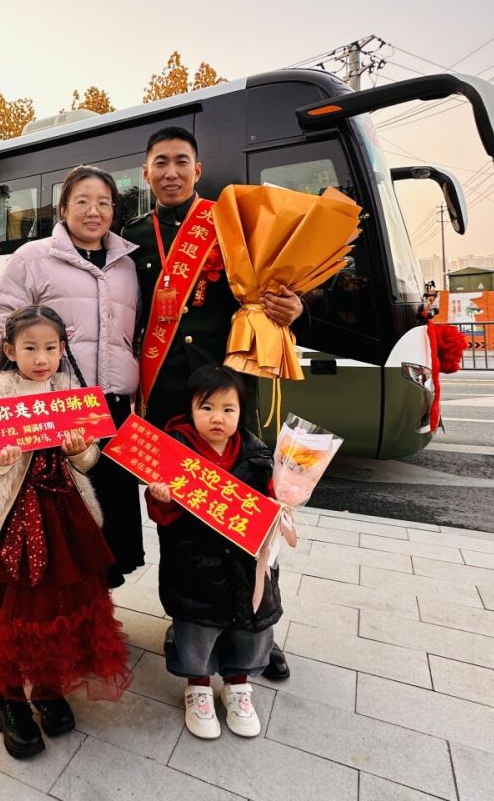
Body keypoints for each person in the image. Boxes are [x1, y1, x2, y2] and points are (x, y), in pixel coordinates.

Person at [123, 125, 304, 681]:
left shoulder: (231, 226)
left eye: (181, 161)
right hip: (164, 402)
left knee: (248, 512)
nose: (171, 171)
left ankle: (256, 625)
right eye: (160, 162)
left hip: (228, 398)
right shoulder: (130, 237)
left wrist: (295, 308)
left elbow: (272, 295)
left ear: (198, 170)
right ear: (146, 172)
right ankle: (187, 622)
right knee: (175, 520)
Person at [0, 305, 131, 760]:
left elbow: (89, 459)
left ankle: (46, 686)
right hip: (10, 518)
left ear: (62, 349)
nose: (42, 358)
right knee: (7, 608)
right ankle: (10, 699)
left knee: (60, 603)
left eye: (51, 348)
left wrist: (79, 452)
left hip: (64, 514)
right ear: (9, 350)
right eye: (30, 348)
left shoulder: (69, 390)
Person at [0, 165, 143, 587]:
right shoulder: (32, 258)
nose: (94, 211)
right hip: (57, 407)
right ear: (63, 207)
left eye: (104, 203)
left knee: (109, 527)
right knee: (64, 525)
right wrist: (4, 395)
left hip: (113, 409)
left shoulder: (127, 264)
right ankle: (66, 611)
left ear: (114, 209)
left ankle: (97, 612)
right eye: (82, 201)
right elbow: (0, 325)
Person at [146, 365, 296, 740]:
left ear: (241, 412)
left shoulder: (258, 456)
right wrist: (160, 497)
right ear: (190, 410)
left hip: (247, 570)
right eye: (207, 408)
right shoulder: (174, 452)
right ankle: (197, 688)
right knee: (196, 632)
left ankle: (238, 685)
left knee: (251, 630)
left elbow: (271, 505)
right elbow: (163, 518)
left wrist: (283, 503)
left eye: (228, 409)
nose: (218, 418)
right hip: (193, 568)